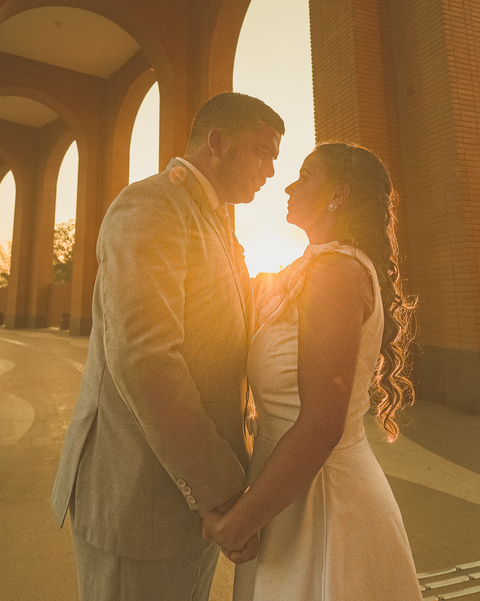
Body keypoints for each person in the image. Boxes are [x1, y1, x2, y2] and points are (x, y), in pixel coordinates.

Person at [51, 92, 285, 601]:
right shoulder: (152, 206)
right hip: (141, 502)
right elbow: (146, 358)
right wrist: (220, 492)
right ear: (217, 142)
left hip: (191, 494)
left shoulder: (214, 219)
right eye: (262, 152)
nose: (270, 171)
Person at [201, 142, 423, 601]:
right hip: (285, 492)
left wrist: (239, 520)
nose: (288, 185)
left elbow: (323, 423)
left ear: (338, 195)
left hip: (324, 502)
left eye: (305, 175)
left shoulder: (336, 274)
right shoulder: (313, 267)